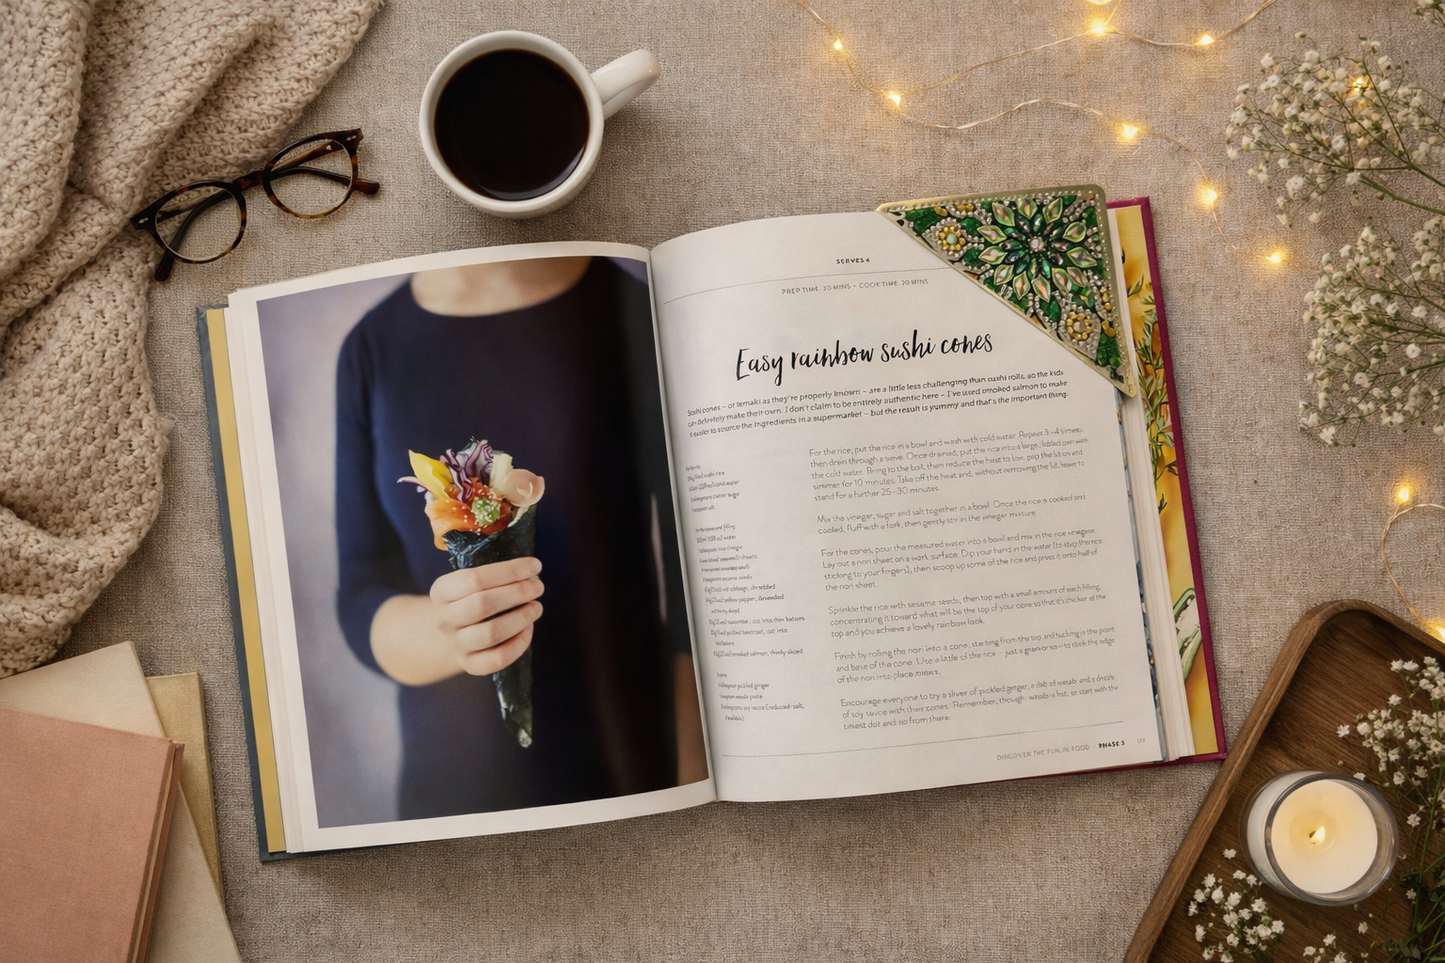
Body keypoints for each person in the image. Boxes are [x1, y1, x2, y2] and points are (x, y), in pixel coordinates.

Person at [334, 255, 704, 820]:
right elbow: (361, 592)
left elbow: (696, 587)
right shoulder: (371, 349)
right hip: (453, 787)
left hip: (632, 756)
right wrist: (453, 634)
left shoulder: (638, 311)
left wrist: (692, 784)